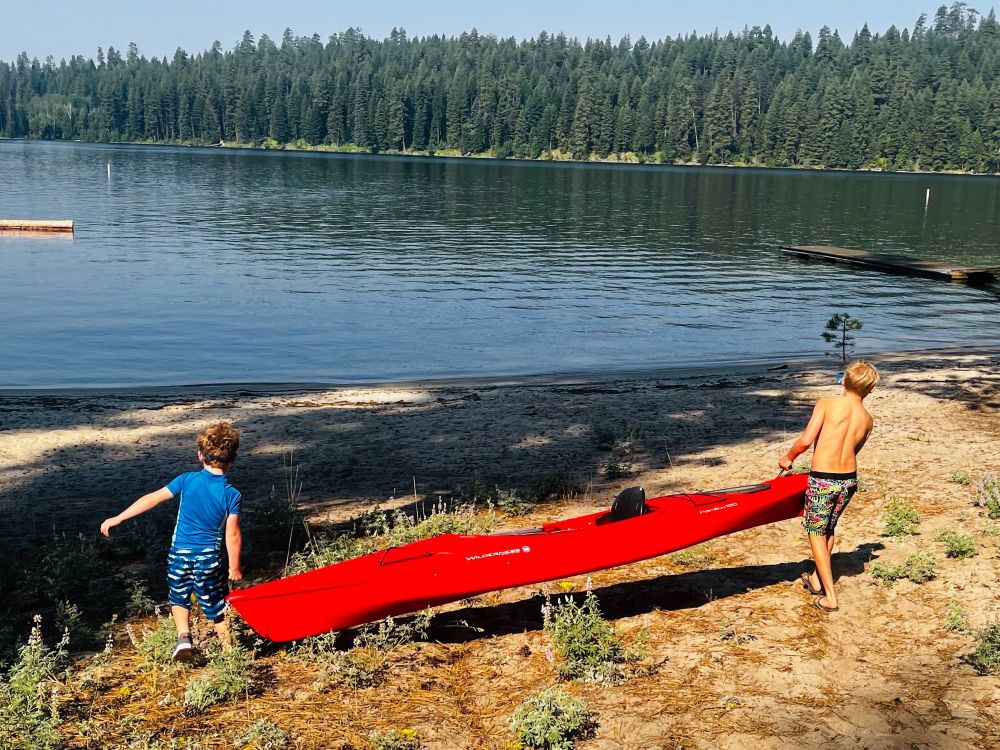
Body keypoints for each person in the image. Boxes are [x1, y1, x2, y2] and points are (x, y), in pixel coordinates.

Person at [101, 422, 243, 660]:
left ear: (200, 455)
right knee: (216, 606)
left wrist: (119, 517)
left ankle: (184, 637)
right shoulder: (231, 494)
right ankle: (231, 654)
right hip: (209, 559)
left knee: (179, 596)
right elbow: (233, 534)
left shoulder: (186, 480)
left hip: (180, 554)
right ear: (233, 459)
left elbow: (153, 498)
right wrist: (234, 567)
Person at [778, 361, 878, 613]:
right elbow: (854, 449)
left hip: (824, 478)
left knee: (815, 531)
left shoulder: (827, 403)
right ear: (871, 389)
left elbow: (806, 440)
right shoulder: (867, 419)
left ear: (843, 381)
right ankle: (815, 578)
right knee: (828, 527)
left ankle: (830, 595)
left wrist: (788, 458)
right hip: (848, 479)